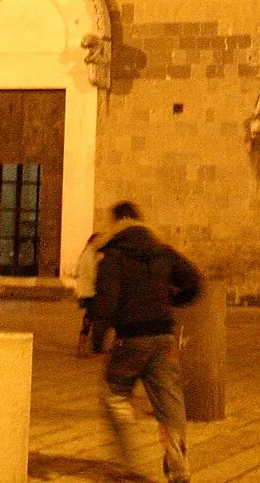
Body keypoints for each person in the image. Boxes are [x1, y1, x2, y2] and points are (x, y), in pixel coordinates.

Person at [90, 201, 201, 483]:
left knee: (114, 395)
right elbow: (194, 281)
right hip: (164, 336)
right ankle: (176, 460)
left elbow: (107, 300)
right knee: (169, 401)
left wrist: (98, 338)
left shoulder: (113, 255)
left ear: (118, 223)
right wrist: (172, 301)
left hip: (130, 337)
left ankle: (128, 460)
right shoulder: (162, 250)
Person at [73, 226, 106, 356]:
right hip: (90, 292)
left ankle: (83, 347)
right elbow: (92, 274)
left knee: (89, 318)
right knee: (90, 319)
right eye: (99, 240)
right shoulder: (90, 254)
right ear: (93, 241)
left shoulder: (88, 253)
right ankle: (82, 348)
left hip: (86, 291)